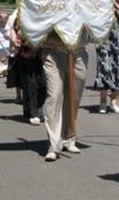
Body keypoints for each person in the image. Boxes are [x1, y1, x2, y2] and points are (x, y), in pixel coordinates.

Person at [38, 28, 89, 162]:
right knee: (54, 96)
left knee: (74, 97)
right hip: (53, 51)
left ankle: (68, 136)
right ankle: (54, 145)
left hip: (78, 51)